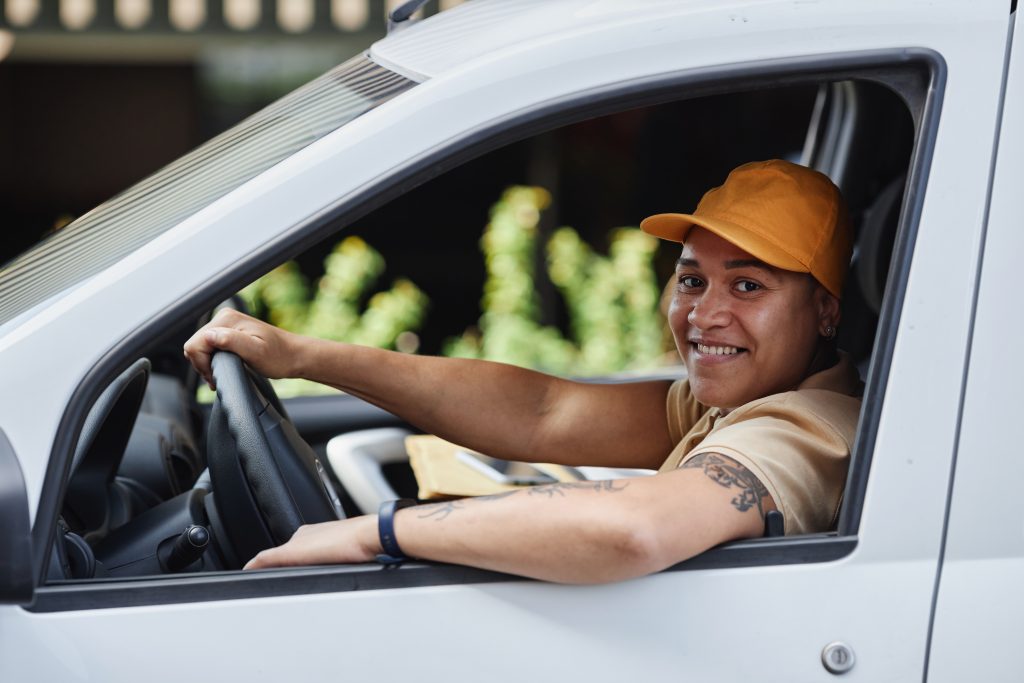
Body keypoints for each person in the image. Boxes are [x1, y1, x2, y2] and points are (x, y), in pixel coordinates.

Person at [183, 159, 862, 584]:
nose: (703, 315)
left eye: (748, 288)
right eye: (692, 281)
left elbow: (632, 528)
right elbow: (545, 411)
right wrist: (304, 355)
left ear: (825, 312)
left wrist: (374, 532)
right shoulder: (743, 396)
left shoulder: (806, 428)